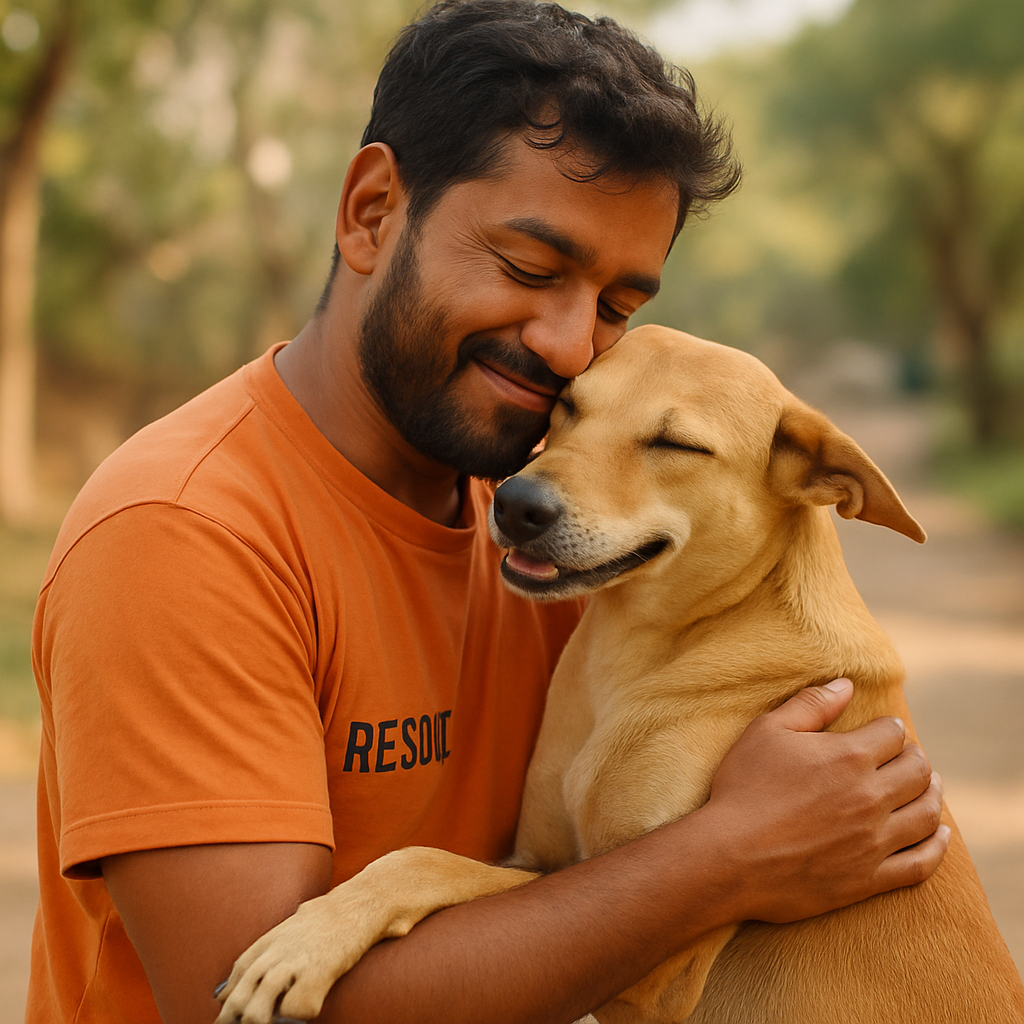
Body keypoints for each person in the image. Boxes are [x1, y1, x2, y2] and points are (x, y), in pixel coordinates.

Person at [27, 2, 948, 1022]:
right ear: (372, 210)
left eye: (616, 308)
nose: (566, 343)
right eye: (528, 268)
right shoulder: (186, 532)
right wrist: (728, 854)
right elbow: (241, 1004)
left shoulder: (558, 529)